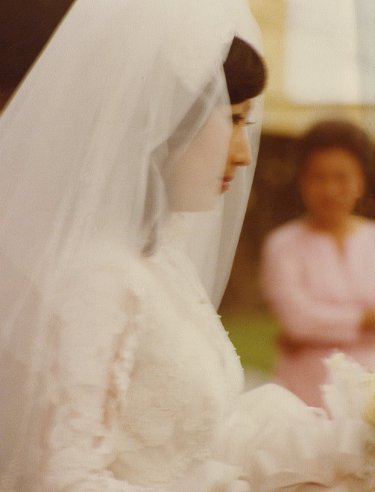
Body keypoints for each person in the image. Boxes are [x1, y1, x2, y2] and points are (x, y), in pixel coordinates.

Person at [0, 1, 373, 490]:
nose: (242, 156)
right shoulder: (96, 280)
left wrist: (346, 442)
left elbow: (196, 440)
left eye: (248, 126)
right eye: (233, 121)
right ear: (164, 123)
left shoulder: (158, 263)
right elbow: (64, 481)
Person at [261, 119, 375, 407]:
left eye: (341, 177)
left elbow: (308, 324)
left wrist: (322, 326)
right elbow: (298, 320)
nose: (330, 190)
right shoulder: (283, 244)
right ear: (301, 180)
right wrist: (365, 320)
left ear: (361, 180)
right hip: (306, 389)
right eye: (318, 177)